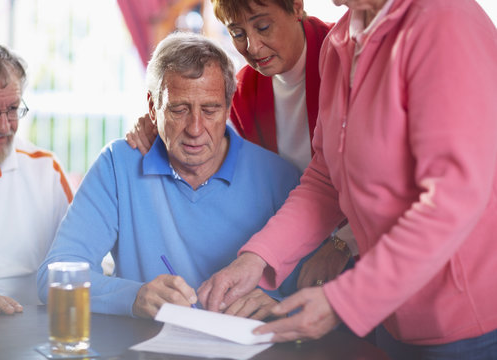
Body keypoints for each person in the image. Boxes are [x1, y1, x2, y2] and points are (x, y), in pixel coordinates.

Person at [198, 0, 497, 358]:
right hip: (392, 316)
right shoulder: (341, 40)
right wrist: (257, 258)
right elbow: (325, 178)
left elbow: (453, 198)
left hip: (464, 324)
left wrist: (345, 299)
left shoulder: (445, 22)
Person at [36, 32, 303, 319]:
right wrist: (133, 297)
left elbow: (321, 284)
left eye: (210, 110)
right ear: (152, 108)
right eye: (179, 109)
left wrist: (283, 308)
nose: (195, 128)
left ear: (227, 108)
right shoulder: (117, 166)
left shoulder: (279, 177)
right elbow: (53, 277)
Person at [126, 0, 357, 288]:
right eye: (237, 33)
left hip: (363, 242)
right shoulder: (242, 90)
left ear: (297, 6)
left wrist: (343, 243)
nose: (254, 47)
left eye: (263, 27)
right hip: (295, 247)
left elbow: (380, 175)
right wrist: (157, 121)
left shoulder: (345, 51)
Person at [0, 43, 73, 315]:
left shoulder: (46, 169)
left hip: (30, 329)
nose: (3, 125)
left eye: (12, 109)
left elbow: (82, 261)